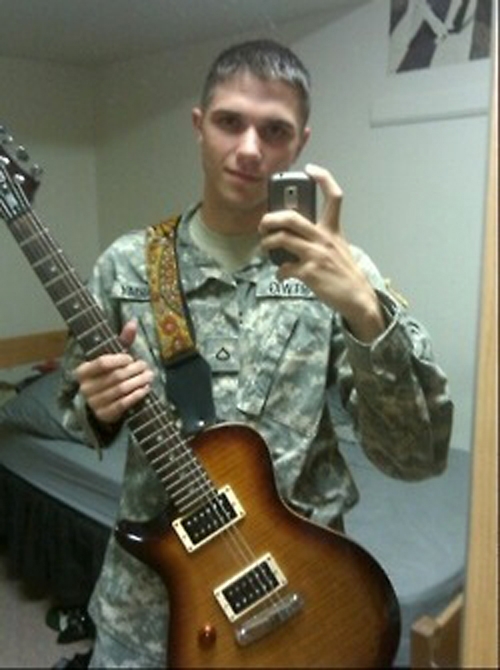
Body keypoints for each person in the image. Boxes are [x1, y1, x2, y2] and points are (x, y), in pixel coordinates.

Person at [59, 38, 453, 668]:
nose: (249, 148)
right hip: (149, 611)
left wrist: (365, 310)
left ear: (300, 144)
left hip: (302, 599)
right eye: (229, 121)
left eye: (274, 130)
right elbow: (74, 409)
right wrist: (97, 407)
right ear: (199, 125)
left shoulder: (337, 273)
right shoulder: (128, 266)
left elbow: (416, 457)